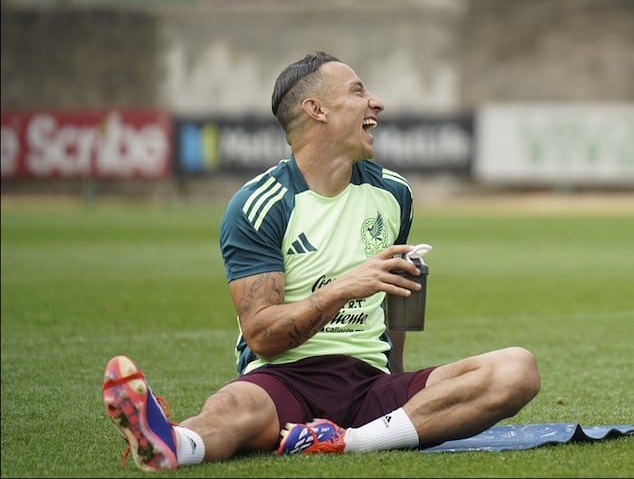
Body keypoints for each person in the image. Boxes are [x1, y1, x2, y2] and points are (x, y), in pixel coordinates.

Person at [102, 51, 541, 471]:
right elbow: (261, 337)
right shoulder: (259, 204)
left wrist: (401, 387)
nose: (376, 103)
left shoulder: (394, 193)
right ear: (317, 109)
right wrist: (347, 286)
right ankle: (171, 442)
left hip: (370, 383)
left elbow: (397, 293)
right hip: (284, 381)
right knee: (234, 408)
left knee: (516, 369)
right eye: (357, 91)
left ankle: (349, 441)